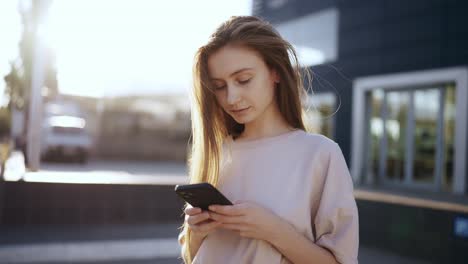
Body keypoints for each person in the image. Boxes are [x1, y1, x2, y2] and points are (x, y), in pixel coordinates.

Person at [178, 16, 359, 264]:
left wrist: (273, 230)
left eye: (243, 80)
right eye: (219, 86)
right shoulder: (216, 153)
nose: (231, 98)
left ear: (275, 72)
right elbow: (191, 256)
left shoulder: (321, 154)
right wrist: (196, 232)